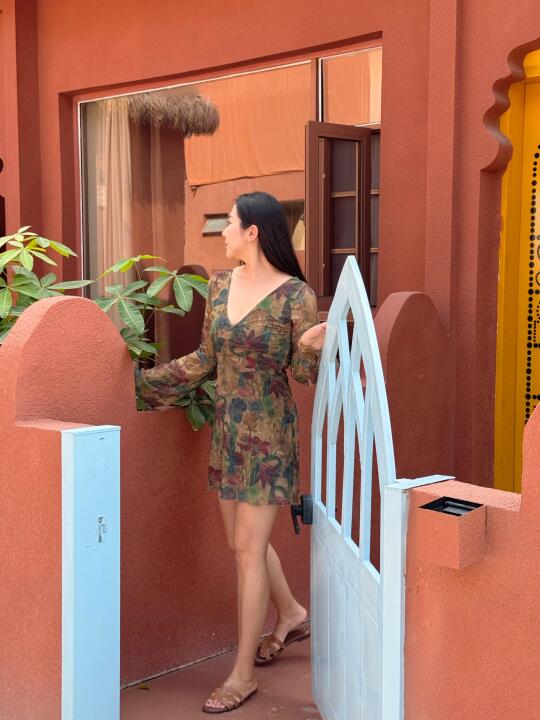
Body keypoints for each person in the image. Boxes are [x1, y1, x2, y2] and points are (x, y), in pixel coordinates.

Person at [136, 191, 327, 713]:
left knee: (247, 549)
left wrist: (311, 348)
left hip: (270, 437)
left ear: (253, 231)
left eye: (229, 223)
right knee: (240, 545)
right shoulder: (219, 287)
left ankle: (242, 676)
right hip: (228, 432)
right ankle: (291, 613)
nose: (222, 231)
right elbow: (204, 359)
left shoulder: (296, 296)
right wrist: (140, 387)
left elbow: (302, 376)